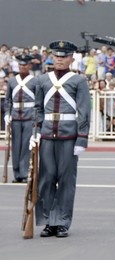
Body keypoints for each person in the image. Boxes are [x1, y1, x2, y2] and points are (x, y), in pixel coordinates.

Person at [29, 40, 91, 238]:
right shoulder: (42, 80)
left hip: (68, 136)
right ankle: (48, 221)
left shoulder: (78, 81)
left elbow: (84, 112)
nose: (60, 60)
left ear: (72, 58)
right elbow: (38, 109)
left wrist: (82, 139)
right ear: (51, 57)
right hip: (47, 135)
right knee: (46, 180)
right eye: (57, 56)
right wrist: (35, 132)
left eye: (64, 56)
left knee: (66, 181)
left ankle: (62, 221)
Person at [4, 54, 38, 183]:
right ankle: (17, 173)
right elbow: (8, 100)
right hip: (15, 116)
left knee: (26, 145)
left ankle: (24, 173)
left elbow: (38, 101)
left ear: (30, 66)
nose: (22, 67)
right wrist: (7, 113)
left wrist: (36, 117)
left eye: (25, 65)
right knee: (16, 145)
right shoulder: (12, 81)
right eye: (20, 65)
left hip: (29, 116)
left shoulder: (35, 81)